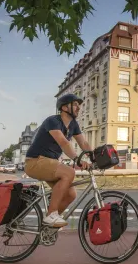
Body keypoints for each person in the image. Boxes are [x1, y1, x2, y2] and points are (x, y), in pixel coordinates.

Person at [24, 94, 92, 228]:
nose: (79, 107)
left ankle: (48, 226)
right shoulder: (53, 121)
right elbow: (63, 142)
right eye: (75, 104)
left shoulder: (73, 124)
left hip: (50, 163)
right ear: (65, 107)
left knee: (70, 194)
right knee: (69, 173)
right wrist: (78, 160)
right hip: (35, 161)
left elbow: (83, 142)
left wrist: (94, 156)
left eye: (79, 105)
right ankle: (51, 215)